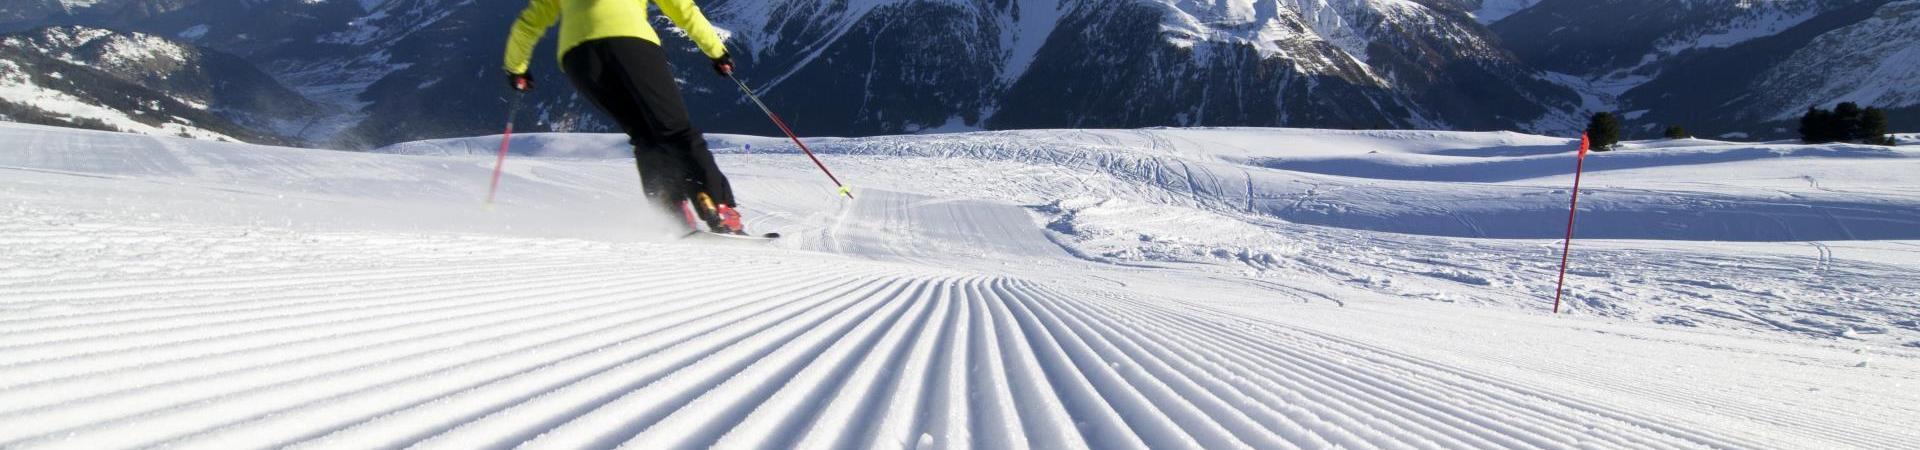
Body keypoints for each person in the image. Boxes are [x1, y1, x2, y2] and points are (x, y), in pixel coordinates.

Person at [502, 0, 746, 234]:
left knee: (644, 137)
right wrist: (716, 51)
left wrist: (516, 68)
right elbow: (682, 8)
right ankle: (719, 207)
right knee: (676, 130)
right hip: (631, 43)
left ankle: (670, 212)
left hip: (579, 57)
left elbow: (529, 22)